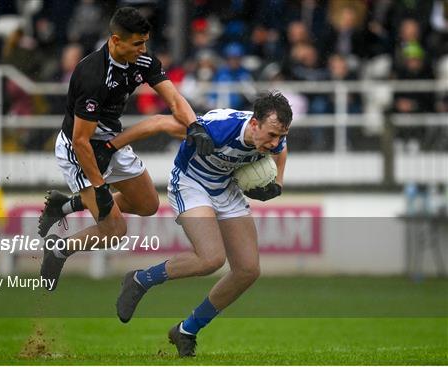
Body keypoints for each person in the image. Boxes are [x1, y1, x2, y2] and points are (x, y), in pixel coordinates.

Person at [39, 7, 214, 291]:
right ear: (116, 40)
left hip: (112, 142)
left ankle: (66, 204)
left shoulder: (142, 60)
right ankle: (59, 249)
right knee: (115, 231)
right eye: (137, 44)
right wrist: (99, 187)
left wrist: (193, 125)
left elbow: (173, 98)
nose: (143, 49)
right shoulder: (92, 75)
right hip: (80, 149)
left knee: (148, 205)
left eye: (145, 42)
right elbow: (81, 140)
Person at [116, 91, 293, 357]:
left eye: (281, 135)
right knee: (210, 259)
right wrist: (110, 147)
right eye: (271, 135)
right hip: (191, 184)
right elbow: (158, 123)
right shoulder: (218, 129)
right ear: (254, 123)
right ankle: (141, 280)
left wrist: (277, 184)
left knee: (248, 270)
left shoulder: (273, 137)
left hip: (225, 189)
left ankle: (186, 330)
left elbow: (282, 150)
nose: (275, 142)